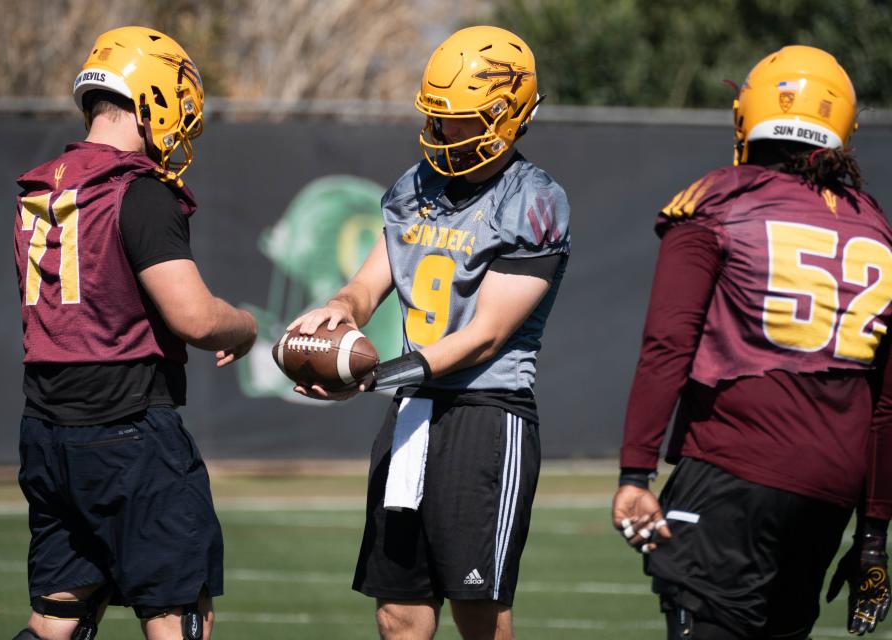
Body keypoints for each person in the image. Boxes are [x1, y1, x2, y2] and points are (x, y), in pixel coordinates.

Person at [288, 25, 570, 640]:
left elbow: (486, 335)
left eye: (461, 119)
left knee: (478, 614)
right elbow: (367, 285)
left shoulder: (534, 199)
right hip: (414, 409)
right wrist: (339, 311)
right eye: (438, 118)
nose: (443, 132)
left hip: (486, 412)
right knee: (398, 612)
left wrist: (370, 378)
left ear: (505, 115)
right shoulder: (414, 186)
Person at [611, 45, 892, 639]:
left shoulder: (722, 199)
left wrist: (636, 473)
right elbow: (885, 402)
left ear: (748, 116)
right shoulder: (873, 223)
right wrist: (873, 536)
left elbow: (667, 346)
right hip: (830, 492)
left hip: (734, 468)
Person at [12, 26, 257, 640]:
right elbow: (195, 318)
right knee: (177, 609)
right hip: (127, 430)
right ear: (154, 97)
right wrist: (246, 326)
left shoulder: (41, 189)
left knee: (58, 614)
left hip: (45, 431)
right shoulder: (139, 190)